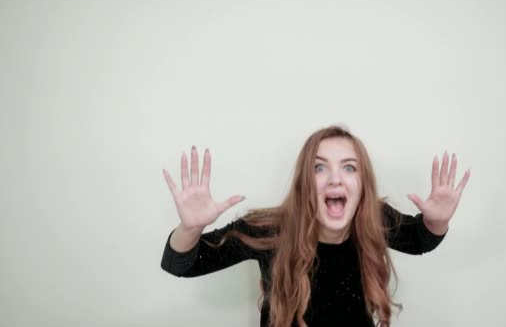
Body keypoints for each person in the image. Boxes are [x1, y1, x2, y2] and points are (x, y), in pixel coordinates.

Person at [160, 125, 470, 327]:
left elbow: (419, 240)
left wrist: (436, 221)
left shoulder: (374, 218)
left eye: (349, 167)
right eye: (320, 167)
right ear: (304, 183)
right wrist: (191, 228)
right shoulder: (270, 228)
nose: (335, 177)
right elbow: (180, 265)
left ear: (363, 184)